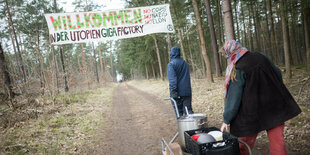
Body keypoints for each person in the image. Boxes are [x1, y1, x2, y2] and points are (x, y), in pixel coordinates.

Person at [219, 40, 301, 155]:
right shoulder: (261, 56)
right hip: (274, 106)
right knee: (278, 143)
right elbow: (277, 73)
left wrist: (226, 119)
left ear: (229, 54)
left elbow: (233, 98)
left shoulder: (238, 68)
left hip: (252, 112)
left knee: (244, 143)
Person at [167, 46, 194, 118]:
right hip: (187, 91)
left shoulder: (171, 64)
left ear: (171, 53)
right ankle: (193, 127)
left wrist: (173, 92)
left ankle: (183, 128)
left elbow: (172, 80)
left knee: (179, 114)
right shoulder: (184, 63)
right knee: (188, 111)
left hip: (177, 93)